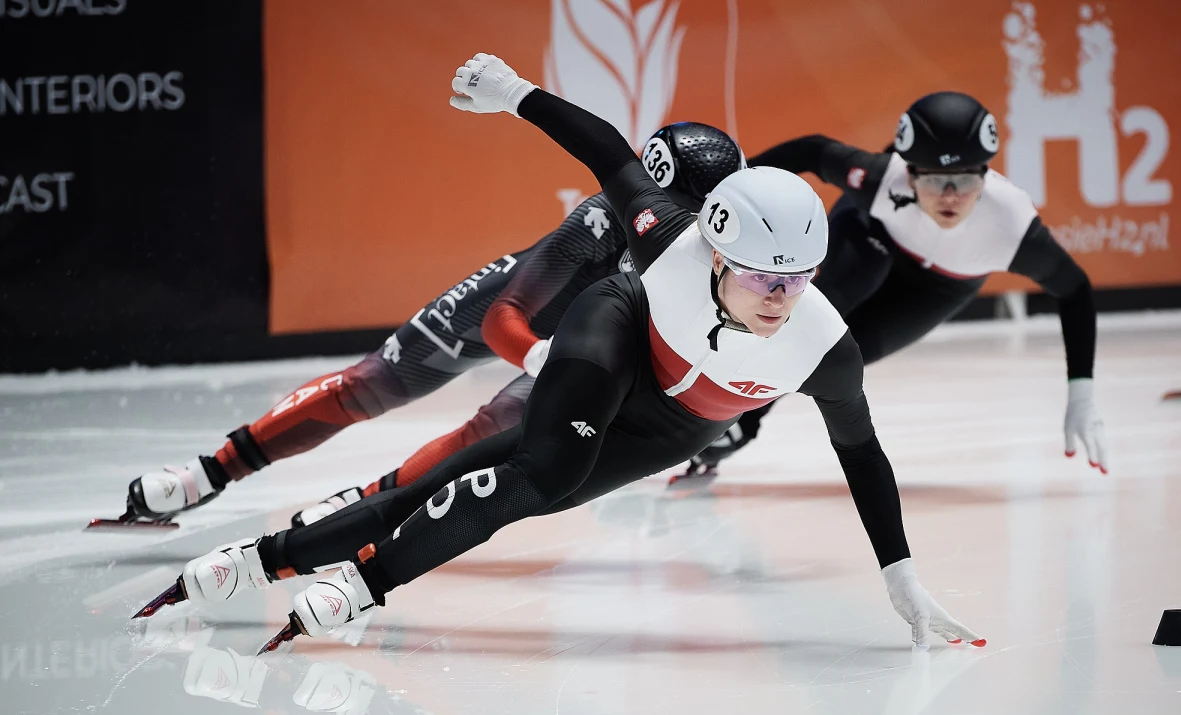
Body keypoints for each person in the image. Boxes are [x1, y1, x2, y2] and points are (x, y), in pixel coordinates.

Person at [136, 53, 984, 653]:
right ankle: (339, 573)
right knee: (525, 465)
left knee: (510, 483)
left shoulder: (820, 343)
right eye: (765, 278)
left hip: (674, 418)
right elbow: (605, 154)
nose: (781, 299)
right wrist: (513, 93)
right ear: (716, 252)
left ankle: (267, 560)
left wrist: (898, 571)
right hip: (602, 328)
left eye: (798, 280)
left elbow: (861, 453)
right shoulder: (663, 239)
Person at [94, 122, 746, 529]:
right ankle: (212, 469)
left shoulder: (729, 245)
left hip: (589, 335)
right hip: (530, 317)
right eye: (696, 211)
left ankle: (363, 503)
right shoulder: (600, 220)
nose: (709, 232)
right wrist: (541, 360)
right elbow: (502, 318)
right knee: (375, 382)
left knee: (487, 433)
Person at [679, 92, 1108, 483]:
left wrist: (1081, 392)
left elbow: (1074, 289)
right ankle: (727, 415)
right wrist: (727, 194)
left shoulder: (1011, 224)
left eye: (966, 181)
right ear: (910, 173)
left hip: (940, 286)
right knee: (816, 311)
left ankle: (734, 426)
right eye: (935, 182)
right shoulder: (883, 180)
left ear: (986, 174)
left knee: (842, 353)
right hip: (873, 236)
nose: (951, 197)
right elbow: (811, 149)